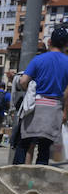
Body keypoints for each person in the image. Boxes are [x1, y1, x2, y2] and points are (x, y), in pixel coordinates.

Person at [13, 26, 68, 166]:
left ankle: (20, 179)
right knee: (44, 149)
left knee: (23, 144)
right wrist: (65, 112)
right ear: (66, 44)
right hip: (55, 108)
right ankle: (38, 182)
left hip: (36, 107)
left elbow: (23, 81)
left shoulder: (39, 59)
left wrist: (29, 89)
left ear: (49, 42)